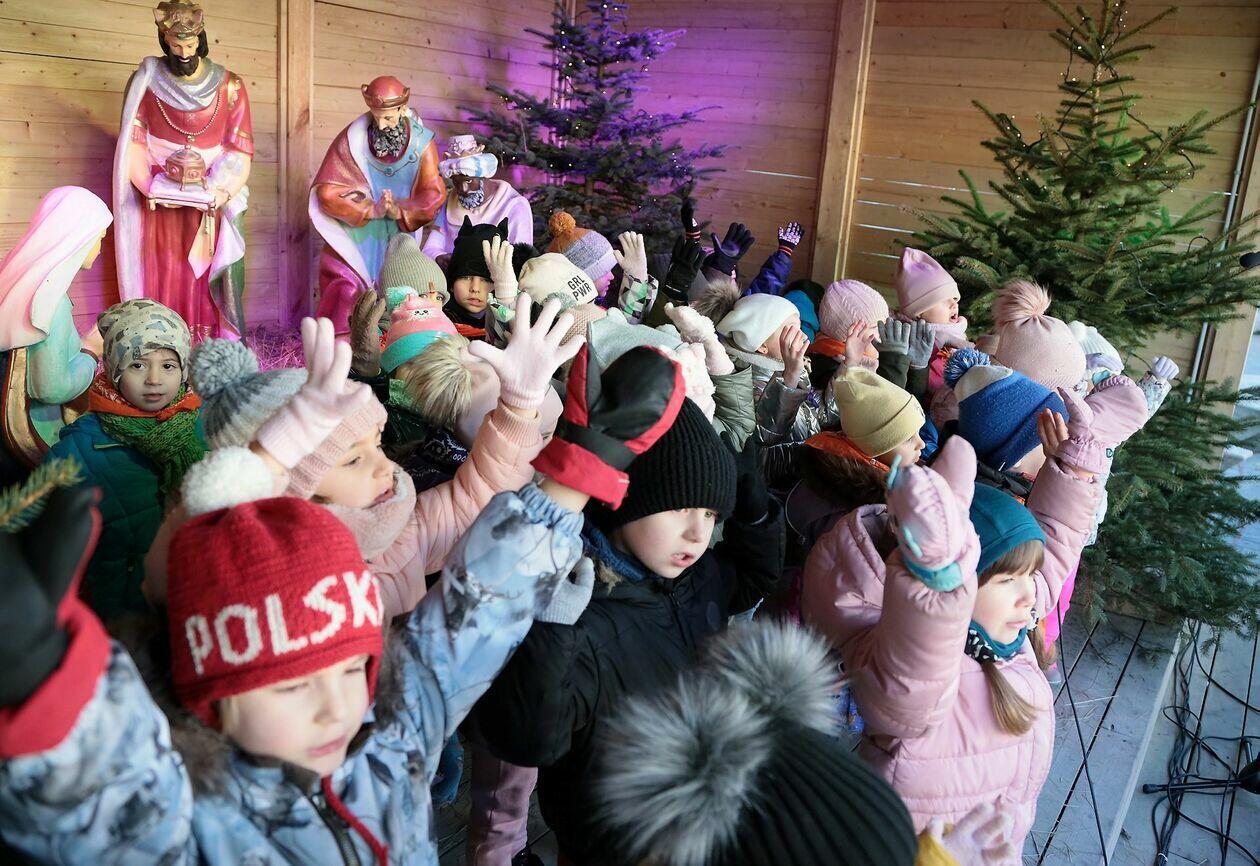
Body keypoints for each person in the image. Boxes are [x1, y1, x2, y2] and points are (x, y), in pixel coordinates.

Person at [0, 425, 593, 863]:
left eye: (353, 668)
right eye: (290, 686)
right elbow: (105, 813)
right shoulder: (190, 826)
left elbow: (476, 615)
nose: (339, 709)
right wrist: (42, 689)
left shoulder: (391, 727)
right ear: (209, 696)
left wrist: (583, 466)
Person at [467, 346, 788, 865]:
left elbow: (751, 579)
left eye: (711, 513)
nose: (698, 532)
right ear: (624, 500)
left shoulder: (693, 577)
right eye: (681, 507)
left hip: (694, 814)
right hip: (607, 838)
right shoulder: (578, 611)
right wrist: (549, 629)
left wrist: (753, 516)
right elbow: (529, 739)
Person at [801, 376, 1146, 847]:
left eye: (1028, 578)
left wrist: (1077, 462)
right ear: (960, 585)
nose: (1029, 598)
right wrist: (937, 575)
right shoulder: (916, 673)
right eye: (1007, 581)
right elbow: (920, 650)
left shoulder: (999, 628)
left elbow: (1052, 543)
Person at [45, 299, 205, 621]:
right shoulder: (78, 450)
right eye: (138, 365)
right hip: (127, 615)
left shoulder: (207, 427)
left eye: (168, 366)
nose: (154, 379)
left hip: (202, 599)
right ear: (115, 370)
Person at [113, 0, 253, 339]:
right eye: (176, 47)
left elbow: (239, 150)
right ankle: (162, 341)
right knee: (163, 266)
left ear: (201, 39)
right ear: (165, 42)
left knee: (202, 273)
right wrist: (150, 186)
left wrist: (220, 191)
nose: (184, 54)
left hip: (209, 197)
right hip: (160, 197)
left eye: (190, 46)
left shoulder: (230, 86)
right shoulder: (147, 81)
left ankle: (208, 340)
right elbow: (134, 143)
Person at [310, 75, 446, 333]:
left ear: (403, 109)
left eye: (389, 118)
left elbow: (433, 193)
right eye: (377, 117)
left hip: (399, 234)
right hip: (359, 232)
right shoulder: (353, 139)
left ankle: (392, 339)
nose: (381, 125)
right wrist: (369, 208)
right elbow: (328, 192)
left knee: (397, 286)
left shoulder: (422, 144)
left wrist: (399, 210)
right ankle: (341, 340)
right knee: (343, 279)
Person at [0, 187, 112, 481]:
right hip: (31, 427)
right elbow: (51, 388)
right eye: (100, 237)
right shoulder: (50, 303)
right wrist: (91, 350)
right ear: (79, 237)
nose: (100, 247)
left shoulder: (12, 278)